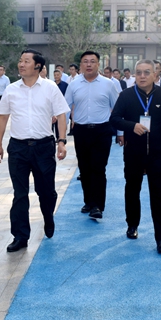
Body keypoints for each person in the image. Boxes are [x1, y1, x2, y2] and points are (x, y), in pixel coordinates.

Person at [0, 49, 70, 252]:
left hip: (43, 147)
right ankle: (20, 236)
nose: (21, 64)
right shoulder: (11, 89)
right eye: (20, 61)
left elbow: (61, 115)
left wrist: (61, 141)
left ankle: (48, 217)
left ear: (38, 66)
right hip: (18, 148)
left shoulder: (50, 88)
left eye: (26, 61)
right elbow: (3, 117)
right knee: (20, 194)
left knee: (46, 192)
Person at [111, 59, 161, 253]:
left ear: (155, 75)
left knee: (158, 196)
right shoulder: (126, 95)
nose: (142, 76)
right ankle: (132, 225)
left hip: (157, 153)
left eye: (147, 72)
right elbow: (114, 119)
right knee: (132, 190)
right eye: (139, 72)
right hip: (133, 153)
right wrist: (131, 126)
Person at [66, 51, 119, 220]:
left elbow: (117, 109)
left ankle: (97, 206)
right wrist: (60, 134)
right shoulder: (73, 85)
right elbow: (65, 108)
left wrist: (121, 132)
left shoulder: (108, 84)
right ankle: (88, 201)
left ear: (98, 64)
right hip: (81, 131)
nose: (89, 64)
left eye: (92, 61)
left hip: (102, 131)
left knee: (98, 168)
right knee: (84, 168)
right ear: (81, 65)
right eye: (85, 61)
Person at [53, 69, 68, 139]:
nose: (56, 76)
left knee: (60, 122)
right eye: (55, 75)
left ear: (61, 75)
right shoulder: (52, 85)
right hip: (52, 106)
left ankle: (60, 137)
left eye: (57, 75)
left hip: (61, 106)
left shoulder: (65, 85)